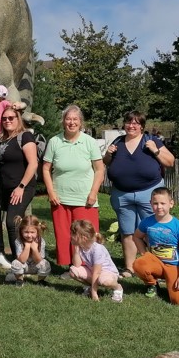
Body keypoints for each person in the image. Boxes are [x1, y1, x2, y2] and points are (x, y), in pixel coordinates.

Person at [102, 110, 174, 278]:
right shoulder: (118, 142)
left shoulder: (151, 140)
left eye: (136, 123)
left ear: (142, 126)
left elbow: (170, 161)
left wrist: (155, 150)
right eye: (128, 122)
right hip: (122, 194)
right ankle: (130, 268)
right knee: (127, 232)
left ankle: (157, 267)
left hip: (148, 193)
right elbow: (106, 162)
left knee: (153, 230)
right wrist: (108, 154)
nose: (131, 126)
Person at [42, 104, 105, 269]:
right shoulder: (54, 141)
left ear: (80, 122)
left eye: (75, 119)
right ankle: (70, 267)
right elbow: (46, 169)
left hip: (85, 198)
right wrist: (51, 192)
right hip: (60, 198)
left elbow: (99, 169)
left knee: (85, 235)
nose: (72, 122)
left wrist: (93, 193)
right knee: (64, 235)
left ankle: (88, 266)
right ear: (63, 121)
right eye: (68, 119)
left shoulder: (89, 142)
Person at [0, 107, 39, 269]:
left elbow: (33, 163)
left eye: (11, 118)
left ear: (18, 119)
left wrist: (21, 186)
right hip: (6, 188)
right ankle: (25, 258)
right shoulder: (4, 139)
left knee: (12, 222)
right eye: (4, 118)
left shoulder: (25, 136)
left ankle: (19, 262)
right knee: (15, 224)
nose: (7, 121)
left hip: (21, 188)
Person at [133, 187, 179, 304]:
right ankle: (152, 284)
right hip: (156, 263)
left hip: (175, 266)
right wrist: (144, 254)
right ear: (151, 204)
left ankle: (173, 280)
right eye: (155, 203)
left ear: (171, 204)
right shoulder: (147, 222)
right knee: (139, 264)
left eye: (163, 203)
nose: (159, 207)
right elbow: (137, 237)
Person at [68, 219, 124, 302]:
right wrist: (76, 250)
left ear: (84, 238)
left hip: (107, 272)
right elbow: (77, 264)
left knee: (105, 281)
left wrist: (94, 294)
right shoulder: (81, 245)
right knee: (73, 271)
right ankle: (91, 286)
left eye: (73, 234)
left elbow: (96, 272)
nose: (71, 236)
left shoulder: (97, 249)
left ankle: (118, 288)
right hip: (93, 270)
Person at [5, 214, 51, 287]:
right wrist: (27, 246)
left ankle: (40, 281)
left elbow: (39, 260)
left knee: (45, 264)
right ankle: (20, 280)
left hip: (35, 266)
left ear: (37, 231)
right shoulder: (18, 241)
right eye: (26, 232)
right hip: (24, 266)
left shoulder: (41, 241)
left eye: (32, 232)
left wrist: (35, 249)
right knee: (15, 263)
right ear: (21, 231)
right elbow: (21, 260)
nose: (29, 235)